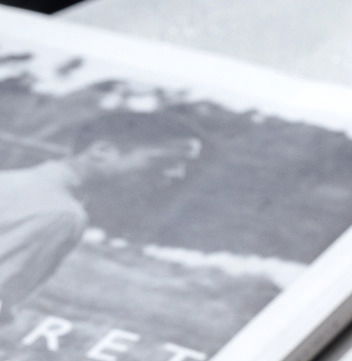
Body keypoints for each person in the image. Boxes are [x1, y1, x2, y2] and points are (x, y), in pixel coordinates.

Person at [0, 110, 202, 322]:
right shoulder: (61, 214)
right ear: (102, 150)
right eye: (164, 161)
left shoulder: (11, 180)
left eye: (184, 166)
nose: (177, 175)